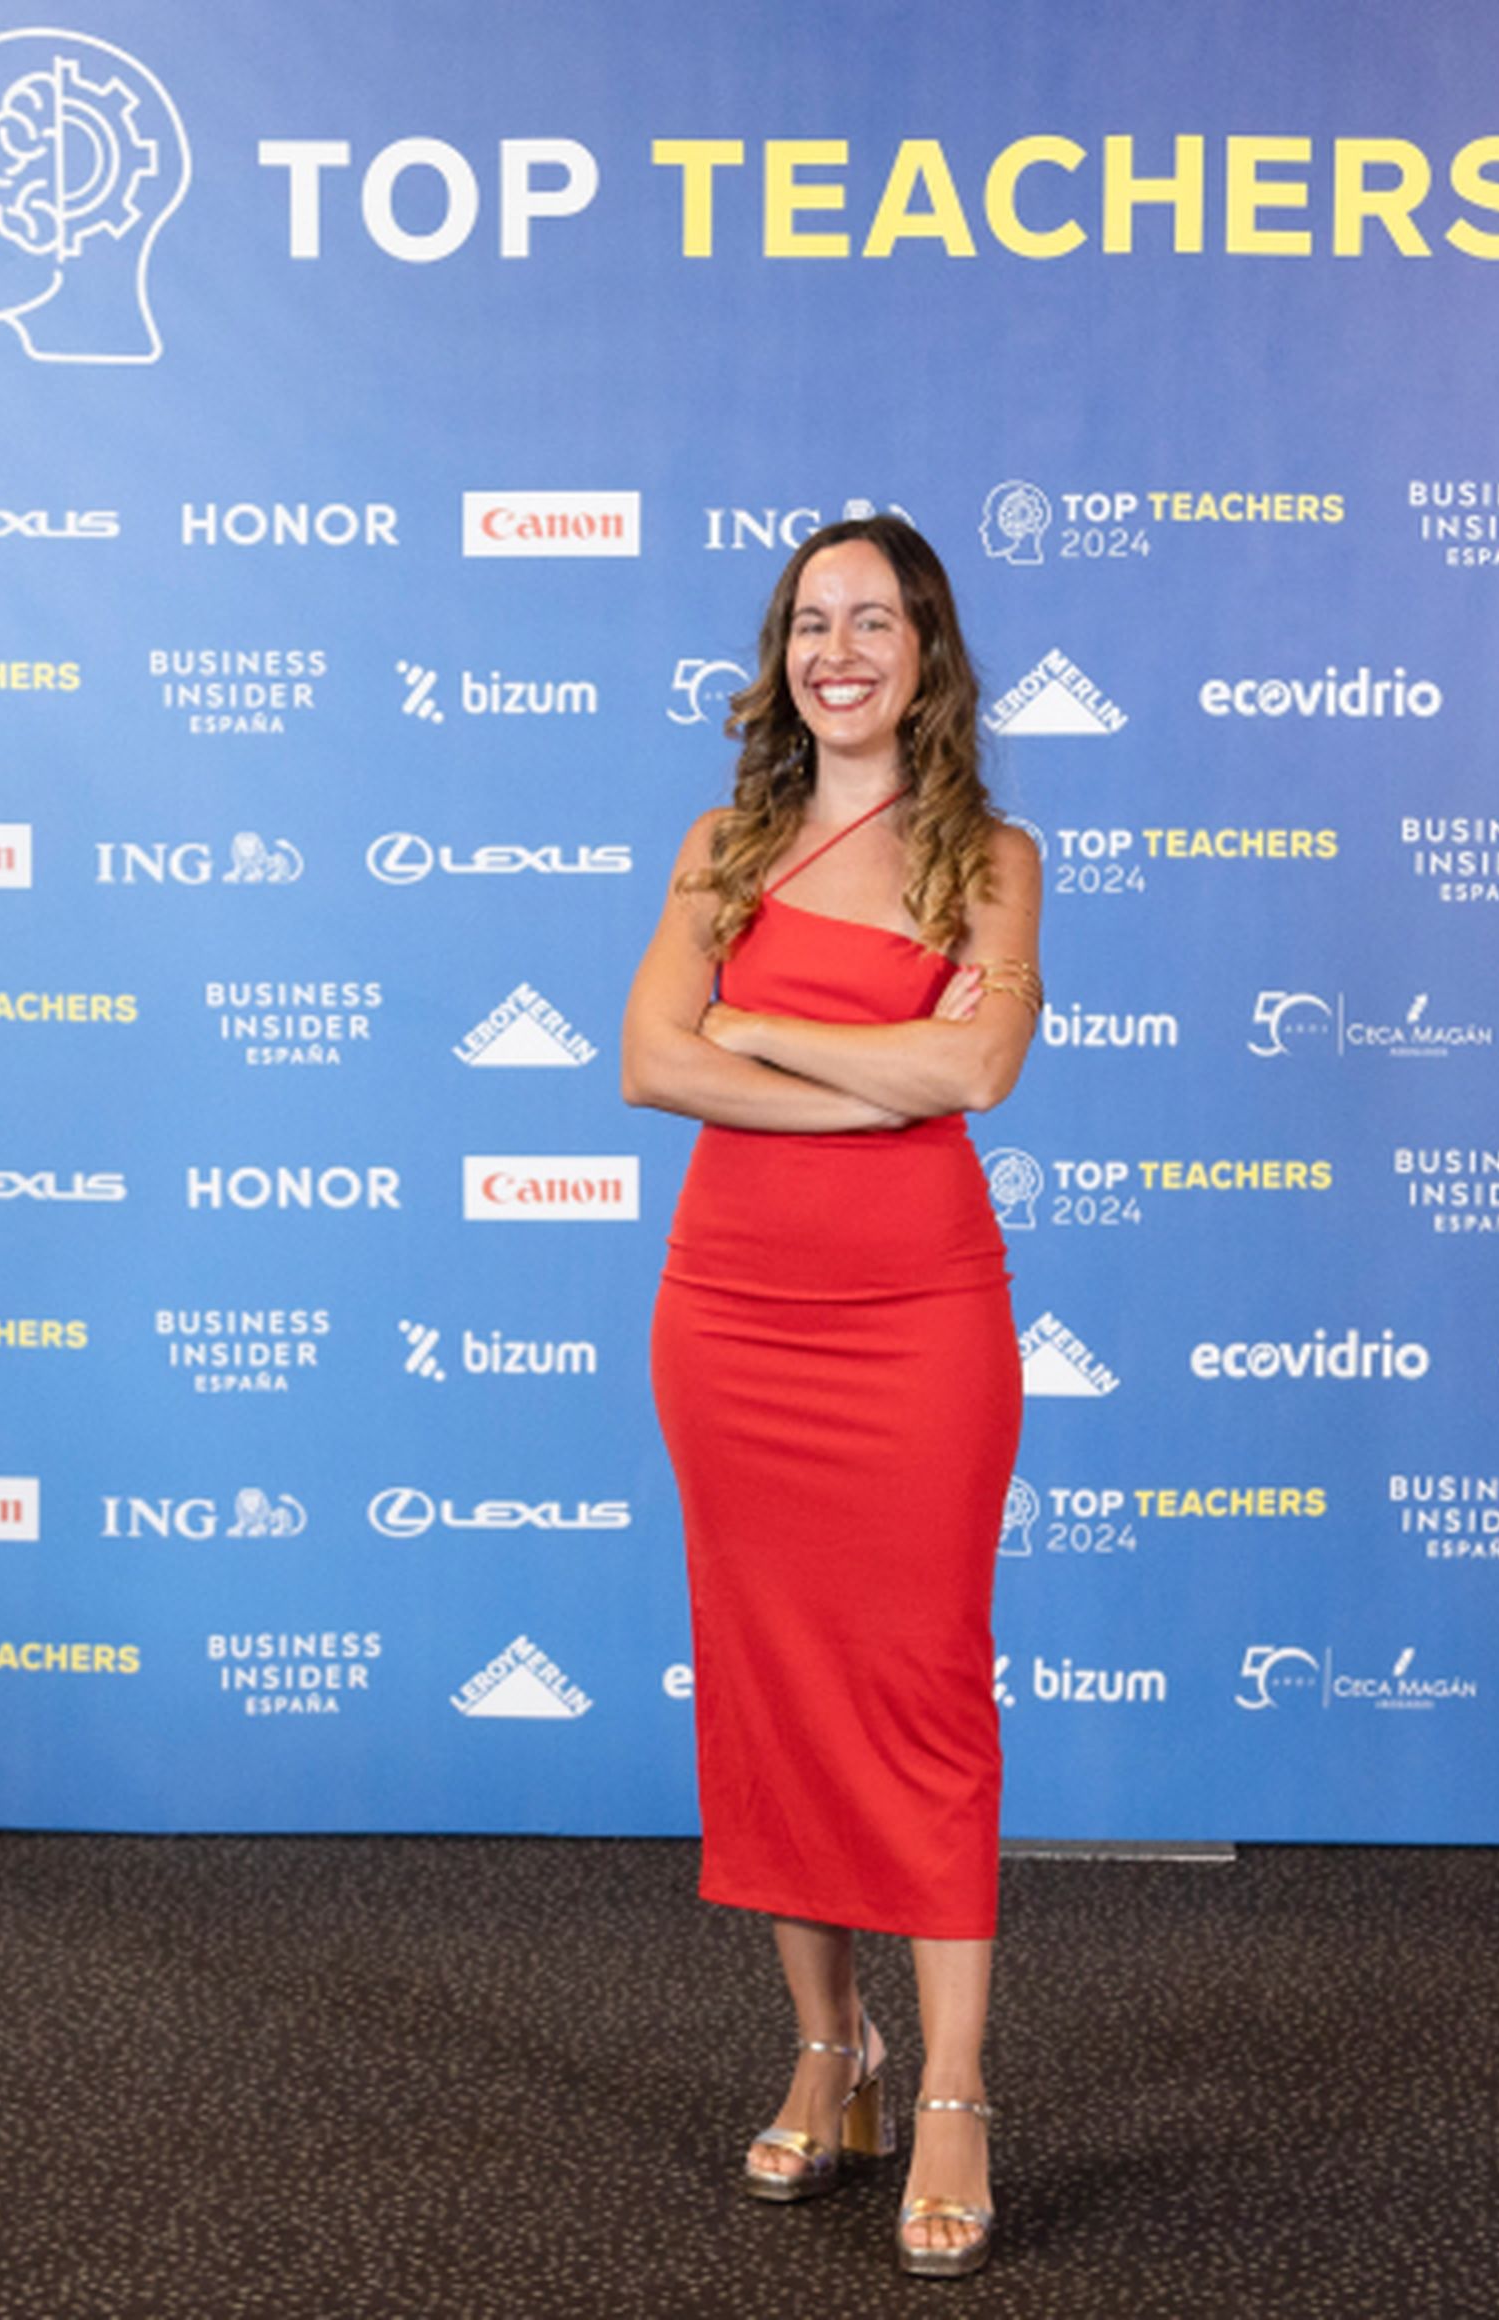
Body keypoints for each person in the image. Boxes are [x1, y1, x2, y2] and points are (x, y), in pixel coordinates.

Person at [621, 513, 1042, 2280]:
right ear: (780, 653)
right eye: (811, 620)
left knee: (924, 1685)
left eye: (874, 620)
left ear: (927, 654)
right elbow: (649, 1061)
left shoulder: (993, 857)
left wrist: (763, 1031)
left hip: (919, 1322)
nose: (838, 648)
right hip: (731, 1319)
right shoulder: (724, 842)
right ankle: (828, 2049)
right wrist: (866, 1071)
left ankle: (950, 2086)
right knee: (774, 1681)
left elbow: (975, 1067)